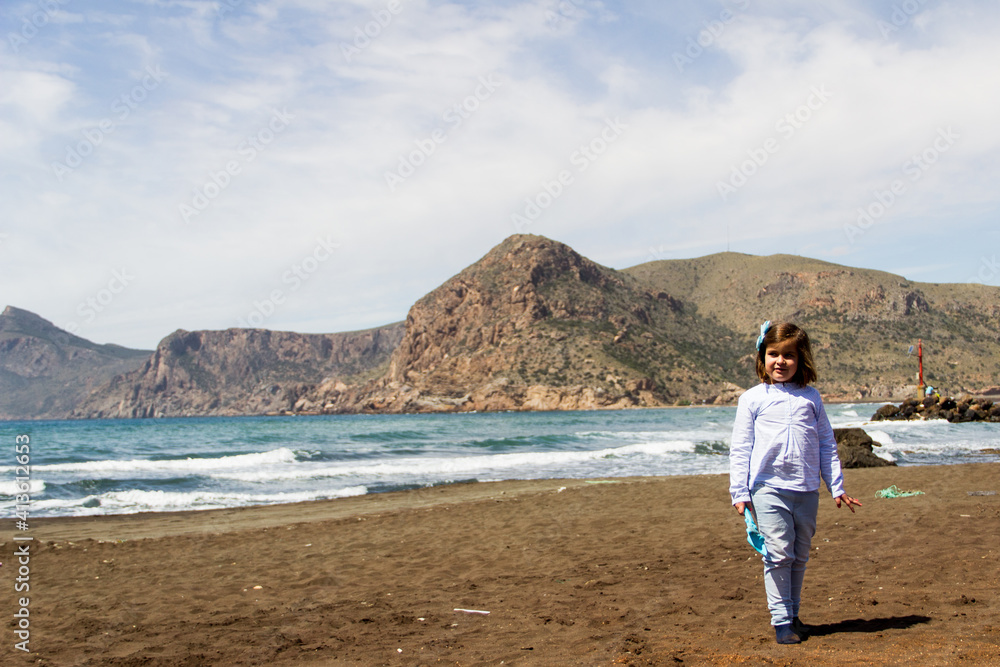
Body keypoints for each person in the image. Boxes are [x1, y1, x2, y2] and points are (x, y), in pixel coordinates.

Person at [729, 321, 862, 645]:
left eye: (788, 355)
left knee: (799, 555)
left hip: (807, 490)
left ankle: (794, 614)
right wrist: (739, 491)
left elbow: (827, 444)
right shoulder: (752, 399)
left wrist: (837, 486)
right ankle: (780, 621)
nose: (781, 361)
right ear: (762, 358)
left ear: (801, 359)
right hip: (767, 489)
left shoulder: (811, 398)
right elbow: (741, 446)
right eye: (773, 354)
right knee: (777, 554)